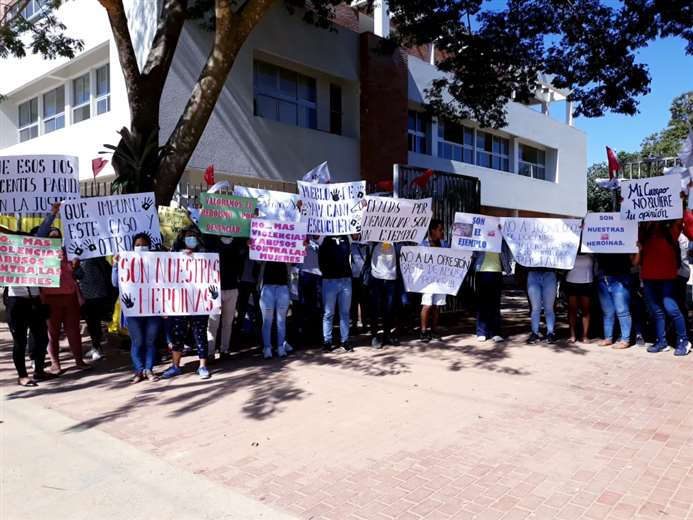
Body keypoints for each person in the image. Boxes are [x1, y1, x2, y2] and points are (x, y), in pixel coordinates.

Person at [38, 202, 89, 373]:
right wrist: (53, 214)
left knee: (73, 331)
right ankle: (55, 363)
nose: (54, 239)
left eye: (57, 237)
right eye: (50, 237)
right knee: (52, 332)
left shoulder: (69, 253)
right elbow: (41, 232)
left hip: (70, 298)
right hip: (49, 298)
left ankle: (79, 360)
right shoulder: (40, 253)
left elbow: (81, 275)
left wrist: (75, 267)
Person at [639, 214, 693, 356]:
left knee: (671, 308)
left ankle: (684, 341)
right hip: (648, 276)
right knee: (656, 311)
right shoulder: (644, 230)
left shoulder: (672, 229)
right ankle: (661, 342)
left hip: (667, 277)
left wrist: (681, 205)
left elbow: (684, 220)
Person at [162, 226, 212, 379]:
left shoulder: (206, 254)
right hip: (180, 302)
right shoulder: (175, 253)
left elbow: (212, 272)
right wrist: (178, 255)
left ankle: (202, 366)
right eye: (187, 235)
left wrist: (197, 257)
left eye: (193, 235)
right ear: (182, 238)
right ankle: (175, 366)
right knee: (178, 334)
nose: (190, 238)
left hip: (200, 302)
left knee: (200, 333)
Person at [112, 233, 162, 383]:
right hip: (133, 308)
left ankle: (149, 369)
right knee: (138, 341)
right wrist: (116, 265)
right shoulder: (125, 261)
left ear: (149, 246)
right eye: (138, 245)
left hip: (153, 307)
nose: (141, 247)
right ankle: (139, 370)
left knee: (150, 340)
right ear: (133, 247)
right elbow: (115, 283)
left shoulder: (157, 261)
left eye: (144, 244)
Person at [3, 229, 50, 386]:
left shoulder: (37, 257)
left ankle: (39, 370)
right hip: (16, 302)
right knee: (20, 340)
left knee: (41, 337)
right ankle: (22, 375)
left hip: (35, 301)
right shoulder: (7, 257)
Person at [205, 235, 242, 360]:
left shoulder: (238, 243)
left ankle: (224, 350)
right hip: (215, 289)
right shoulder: (212, 242)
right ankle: (210, 352)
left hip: (232, 288)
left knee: (228, 322)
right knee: (213, 322)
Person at [74, 256, 113, 361]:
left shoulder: (88, 258)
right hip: (92, 293)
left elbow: (79, 274)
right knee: (92, 322)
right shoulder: (92, 256)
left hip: (92, 295)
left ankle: (97, 348)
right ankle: (95, 346)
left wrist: (74, 267)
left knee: (93, 322)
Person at [472, 240, 512, 343]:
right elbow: (473, 251)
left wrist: (508, 266)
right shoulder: (479, 234)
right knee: (482, 303)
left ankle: (495, 332)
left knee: (495, 303)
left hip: (496, 271)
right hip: (481, 270)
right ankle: (481, 332)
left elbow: (507, 251)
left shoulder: (501, 237)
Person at [318, 234, 353, 351]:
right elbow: (320, 258)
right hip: (329, 280)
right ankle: (327, 341)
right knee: (328, 313)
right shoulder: (325, 239)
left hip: (345, 280)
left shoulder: (346, 238)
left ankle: (345, 341)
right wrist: (326, 272)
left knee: (345, 313)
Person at [595, 254, 634, 349]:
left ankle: (625, 340)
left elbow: (633, 261)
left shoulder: (625, 245)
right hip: (603, 278)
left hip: (620, 277)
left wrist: (638, 251)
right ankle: (608, 338)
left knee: (622, 311)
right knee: (607, 312)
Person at [258, 261, 293, 359]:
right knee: (267, 321)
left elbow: (291, 264)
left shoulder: (286, 252)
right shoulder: (265, 254)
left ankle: (280, 347)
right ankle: (267, 348)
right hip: (267, 287)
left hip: (283, 287)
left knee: (281, 321)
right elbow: (259, 262)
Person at [369, 241, 400, 348]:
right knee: (375, 309)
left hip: (391, 277)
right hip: (377, 277)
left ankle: (387, 335)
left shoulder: (397, 240)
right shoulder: (374, 239)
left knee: (389, 309)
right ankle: (374, 336)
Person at [420, 219, 447, 342]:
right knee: (427, 305)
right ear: (432, 230)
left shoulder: (444, 244)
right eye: (440, 230)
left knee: (437, 305)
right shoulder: (423, 244)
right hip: (427, 280)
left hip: (440, 279)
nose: (442, 232)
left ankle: (434, 330)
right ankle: (423, 331)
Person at [564, 252, 594, 344]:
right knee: (572, 310)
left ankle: (585, 336)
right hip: (571, 282)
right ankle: (572, 336)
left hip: (587, 282)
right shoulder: (570, 250)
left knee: (586, 310)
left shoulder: (592, 251)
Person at [298, 235, 323, 343]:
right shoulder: (301, 234)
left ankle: (317, 334)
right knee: (304, 305)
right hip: (304, 273)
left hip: (318, 275)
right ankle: (304, 335)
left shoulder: (323, 237)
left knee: (318, 306)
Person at [526, 267, 558, 344]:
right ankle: (534, 333)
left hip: (550, 273)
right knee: (535, 308)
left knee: (549, 308)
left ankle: (550, 333)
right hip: (533, 273)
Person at [350, 236, 369, 333]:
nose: (354, 234)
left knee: (364, 302)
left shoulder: (367, 244)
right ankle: (354, 325)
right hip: (353, 277)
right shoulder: (350, 245)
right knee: (353, 302)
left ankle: (365, 324)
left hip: (364, 278)